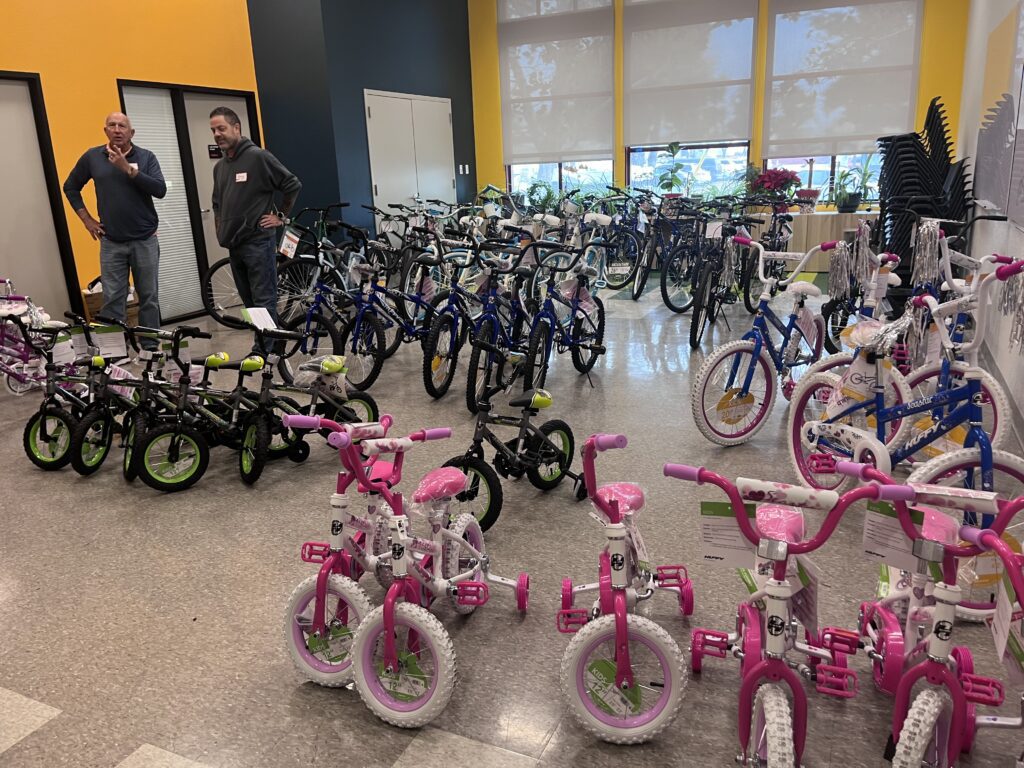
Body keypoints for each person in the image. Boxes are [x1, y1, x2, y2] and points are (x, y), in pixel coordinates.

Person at [63, 112, 166, 345]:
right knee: (112, 299)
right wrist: (86, 219)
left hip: (145, 240)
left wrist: (128, 169)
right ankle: (114, 351)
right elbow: (70, 187)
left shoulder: (146, 157)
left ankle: (149, 346)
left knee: (148, 297)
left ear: (132, 133)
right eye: (112, 125)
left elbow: (160, 189)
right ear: (105, 131)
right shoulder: (92, 157)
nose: (117, 129)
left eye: (122, 126)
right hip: (112, 242)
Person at [209, 106, 301, 333]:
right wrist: (220, 229)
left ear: (236, 127)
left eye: (221, 128)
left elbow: (292, 184)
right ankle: (267, 340)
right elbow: (217, 204)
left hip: (258, 241)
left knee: (263, 299)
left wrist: (280, 216)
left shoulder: (258, 157)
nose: (217, 134)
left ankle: (265, 350)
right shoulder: (220, 167)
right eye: (213, 130)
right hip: (233, 243)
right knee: (249, 302)